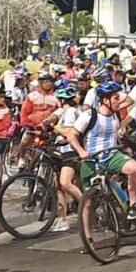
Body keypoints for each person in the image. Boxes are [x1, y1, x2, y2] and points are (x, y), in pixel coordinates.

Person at [66, 81, 136, 221]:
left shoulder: (116, 113)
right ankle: (88, 238)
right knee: (89, 203)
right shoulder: (89, 115)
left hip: (112, 155)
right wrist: (81, 152)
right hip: (91, 159)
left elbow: (130, 100)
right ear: (105, 100)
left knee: (134, 168)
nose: (119, 100)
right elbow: (71, 135)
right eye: (115, 98)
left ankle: (133, 206)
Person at [50, 84, 85, 232]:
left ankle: (86, 205)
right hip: (61, 150)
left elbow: (69, 132)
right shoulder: (67, 111)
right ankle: (62, 218)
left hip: (70, 151)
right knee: (59, 185)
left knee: (65, 183)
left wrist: (56, 128)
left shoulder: (70, 111)